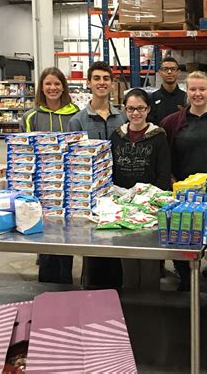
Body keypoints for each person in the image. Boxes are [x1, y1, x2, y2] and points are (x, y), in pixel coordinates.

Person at [161, 71, 207, 290]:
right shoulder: (172, 122)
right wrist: (172, 183)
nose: (197, 94)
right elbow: (165, 156)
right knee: (183, 236)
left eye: (202, 89)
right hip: (184, 195)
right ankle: (186, 281)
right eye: (193, 89)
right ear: (187, 92)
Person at [68, 61, 126, 288]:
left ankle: (116, 290)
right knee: (92, 244)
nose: (101, 83)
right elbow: (74, 159)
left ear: (112, 84)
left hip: (117, 189)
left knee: (116, 241)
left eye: (105, 79)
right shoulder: (78, 121)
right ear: (89, 83)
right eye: (97, 78)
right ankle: (91, 290)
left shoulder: (122, 118)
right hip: (90, 191)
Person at [20, 67, 79, 284]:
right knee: (44, 236)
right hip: (40, 187)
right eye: (48, 84)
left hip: (70, 186)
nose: (52, 88)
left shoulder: (75, 114)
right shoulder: (30, 117)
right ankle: (46, 286)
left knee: (67, 234)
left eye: (57, 83)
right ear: (41, 88)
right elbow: (23, 151)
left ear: (63, 86)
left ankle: (65, 281)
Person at [111, 88, 171, 288]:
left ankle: (150, 300)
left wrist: (153, 203)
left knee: (148, 258)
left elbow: (163, 174)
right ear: (124, 110)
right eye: (130, 109)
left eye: (140, 108)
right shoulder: (117, 136)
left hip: (149, 206)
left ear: (148, 110)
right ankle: (129, 300)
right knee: (126, 257)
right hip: (123, 207)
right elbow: (111, 170)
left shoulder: (158, 136)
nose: (135, 113)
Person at [148, 56, 186, 125]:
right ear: (160, 72)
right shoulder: (152, 99)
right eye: (165, 69)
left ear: (178, 72)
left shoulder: (186, 98)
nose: (169, 72)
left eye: (173, 69)